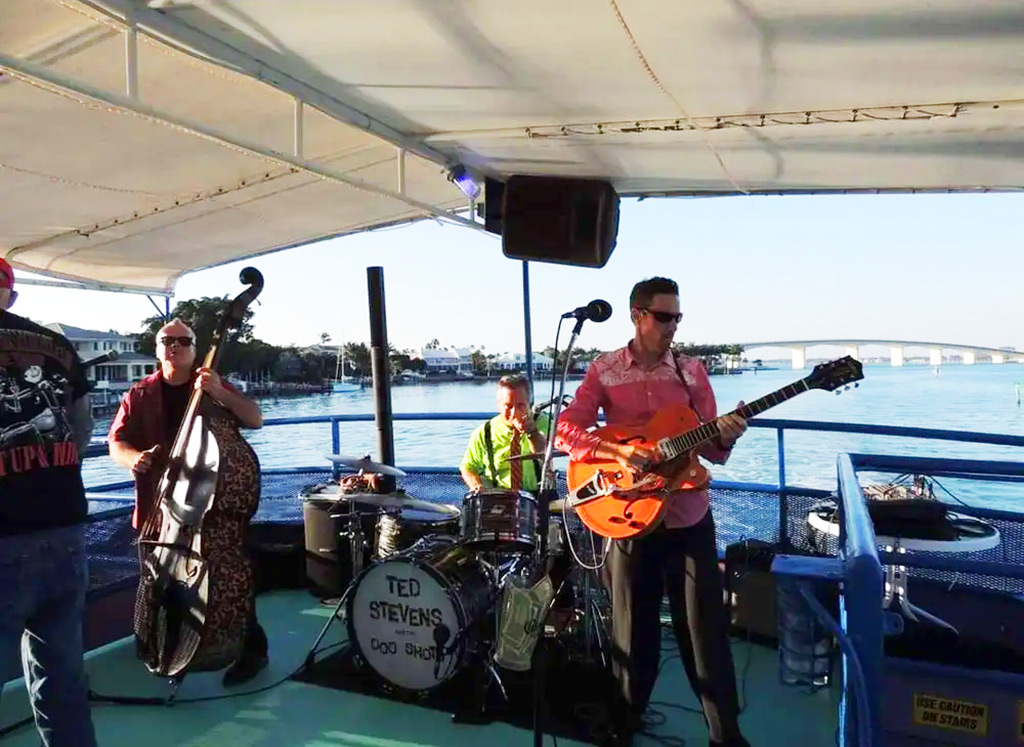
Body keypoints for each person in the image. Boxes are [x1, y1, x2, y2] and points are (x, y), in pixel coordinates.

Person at [555, 277, 750, 747]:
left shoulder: (691, 372)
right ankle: (624, 723)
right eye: (664, 317)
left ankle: (726, 737)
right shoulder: (604, 370)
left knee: (705, 631)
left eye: (678, 318)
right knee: (630, 629)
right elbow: (566, 431)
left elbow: (714, 450)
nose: (673, 327)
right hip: (625, 512)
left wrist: (728, 432)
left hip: (687, 514)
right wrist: (617, 454)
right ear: (638, 315)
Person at [107, 318, 268, 686]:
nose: (174, 346)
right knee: (162, 588)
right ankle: (174, 652)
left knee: (228, 581)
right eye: (167, 340)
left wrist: (220, 392)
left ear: (195, 348)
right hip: (159, 509)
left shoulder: (209, 384)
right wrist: (134, 458)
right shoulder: (139, 393)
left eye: (183, 340)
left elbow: (255, 418)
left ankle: (251, 650)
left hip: (206, 506)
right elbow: (115, 443)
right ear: (158, 348)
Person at [0, 257, 98, 746]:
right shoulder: (57, 347)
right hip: (64, 528)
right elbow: (82, 430)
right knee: (61, 676)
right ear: (12, 295)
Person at [460, 374, 551, 493]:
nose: (514, 412)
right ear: (499, 405)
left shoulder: (543, 422)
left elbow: (544, 451)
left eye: (521, 405)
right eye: (508, 406)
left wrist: (532, 433)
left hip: (539, 495)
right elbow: (468, 466)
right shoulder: (484, 432)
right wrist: (476, 485)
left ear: (529, 403)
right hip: (498, 497)